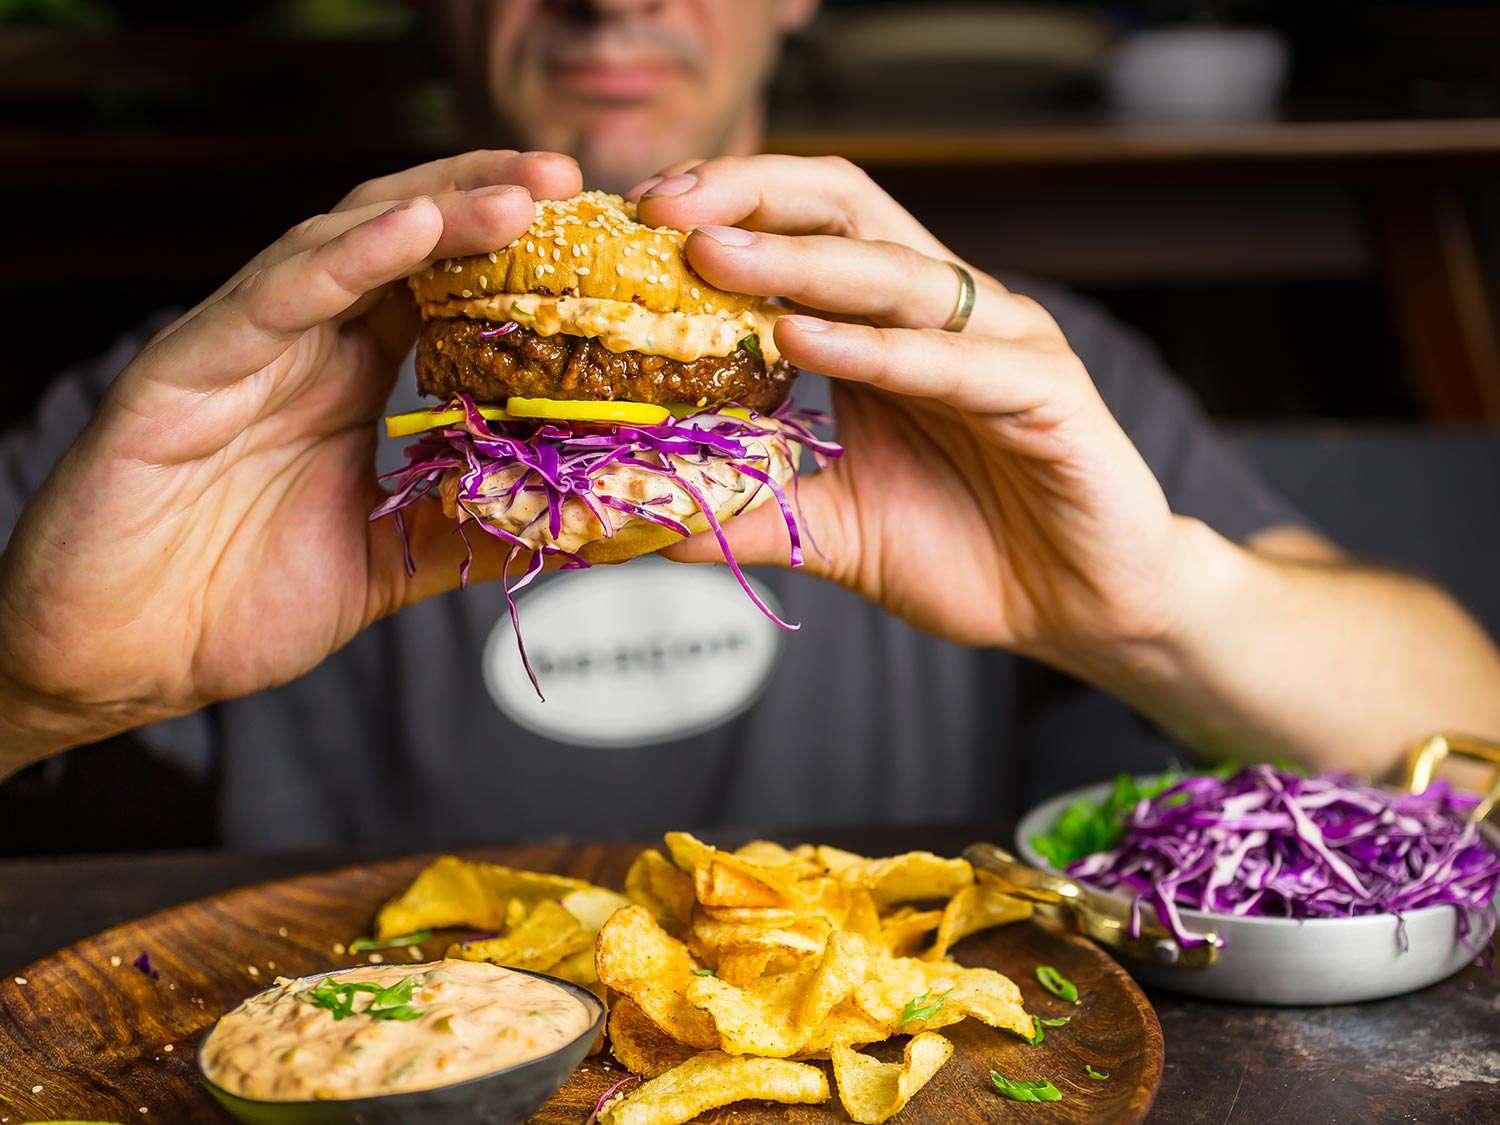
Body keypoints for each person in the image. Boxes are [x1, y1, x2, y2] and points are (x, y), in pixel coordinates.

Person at [1, 0, 1497, 848]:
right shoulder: (200, 414)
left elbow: (1472, 728)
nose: (613, 3)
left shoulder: (984, 376)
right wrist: (32, 688)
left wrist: (1152, 604)